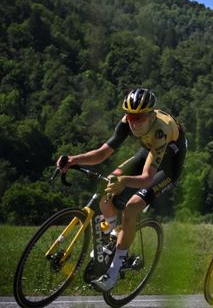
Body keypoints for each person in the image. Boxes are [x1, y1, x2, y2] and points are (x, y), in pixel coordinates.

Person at [56, 88, 186, 292]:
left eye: (139, 117)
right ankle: (116, 235)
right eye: (130, 116)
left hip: (169, 164)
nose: (134, 122)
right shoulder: (127, 122)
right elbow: (101, 154)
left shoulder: (161, 130)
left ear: (151, 115)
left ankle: (114, 272)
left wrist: (124, 181)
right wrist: (73, 160)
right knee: (106, 192)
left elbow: (147, 178)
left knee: (132, 207)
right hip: (148, 151)